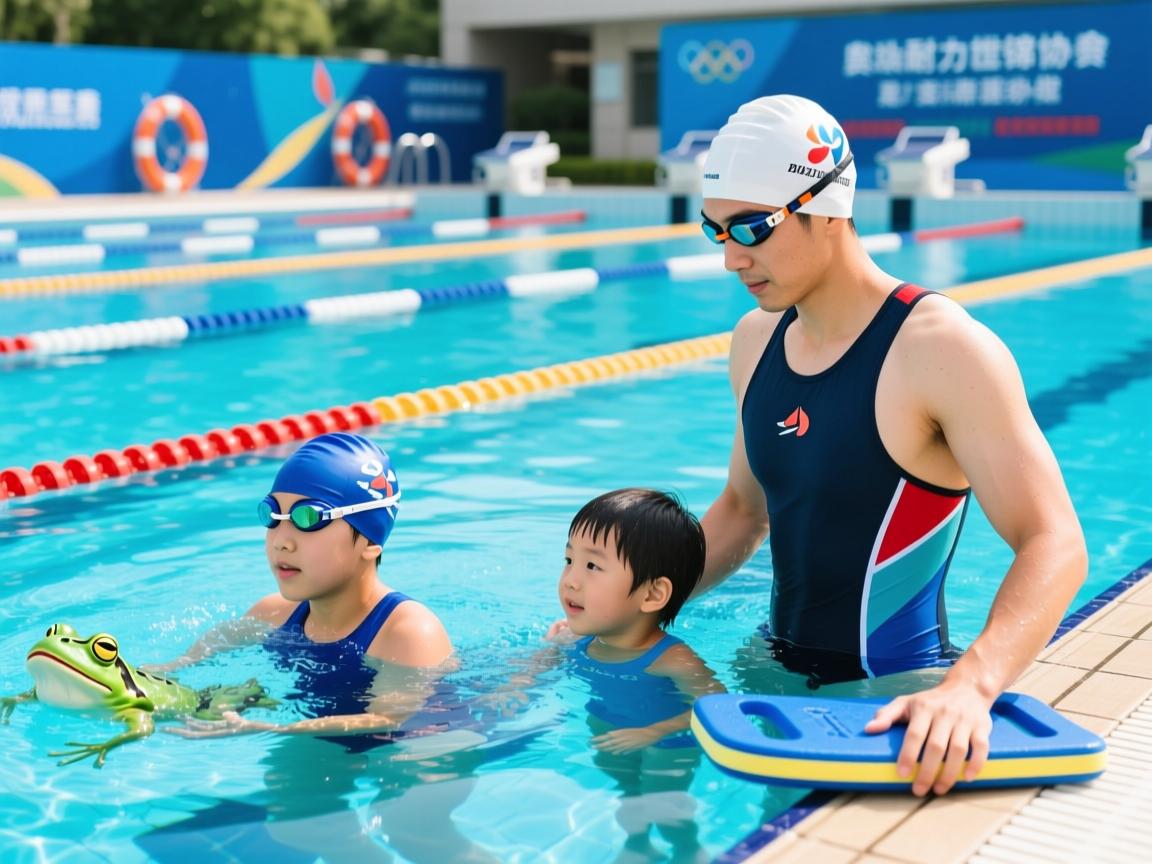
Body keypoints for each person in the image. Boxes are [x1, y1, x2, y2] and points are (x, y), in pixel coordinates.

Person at [696, 94, 1087, 796]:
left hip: (892, 697)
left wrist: (971, 687)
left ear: (827, 206)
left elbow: (1054, 540)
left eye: (752, 227)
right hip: (768, 675)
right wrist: (637, 598)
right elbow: (742, 510)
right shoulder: (755, 341)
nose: (731, 258)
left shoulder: (939, 348)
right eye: (715, 230)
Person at [155, 431, 455, 738]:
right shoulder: (271, 614)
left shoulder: (408, 632)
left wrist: (268, 729)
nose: (281, 541)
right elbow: (181, 666)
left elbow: (388, 719)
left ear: (369, 541)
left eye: (308, 518)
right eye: (272, 515)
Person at [522, 488, 724, 862]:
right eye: (569, 560)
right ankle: (638, 845)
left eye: (592, 567)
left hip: (667, 742)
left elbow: (718, 707)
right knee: (627, 796)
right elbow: (543, 663)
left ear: (652, 595)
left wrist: (653, 732)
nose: (570, 580)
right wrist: (519, 685)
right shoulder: (577, 637)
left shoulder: (671, 659)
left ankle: (687, 849)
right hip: (608, 724)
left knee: (664, 806)